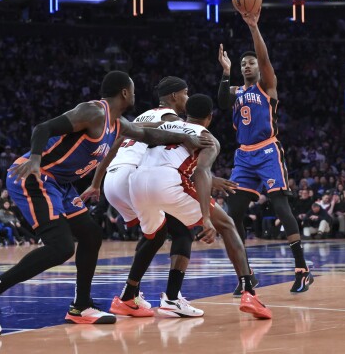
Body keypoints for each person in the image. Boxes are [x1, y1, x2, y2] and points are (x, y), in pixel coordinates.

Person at [0, 71, 212, 336]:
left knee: (91, 235)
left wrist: (187, 138)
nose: (136, 95)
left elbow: (149, 135)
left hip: (61, 185)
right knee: (61, 247)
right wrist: (35, 158)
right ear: (125, 93)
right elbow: (43, 128)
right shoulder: (94, 112)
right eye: (134, 91)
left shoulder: (118, 124)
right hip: (35, 176)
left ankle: (81, 306)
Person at [82, 76, 237, 316]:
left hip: (113, 181)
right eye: (185, 94)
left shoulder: (143, 115)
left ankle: (131, 295)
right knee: (182, 230)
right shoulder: (171, 119)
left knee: (154, 234)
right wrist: (208, 176)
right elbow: (185, 155)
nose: (187, 98)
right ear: (175, 96)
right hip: (133, 176)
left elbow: (116, 144)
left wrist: (96, 183)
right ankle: (170, 298)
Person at [109, 94, 272, 319]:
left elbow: (136, 131)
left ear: (186, 114)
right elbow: (201, 172)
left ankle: (128, 295)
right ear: (210, 118)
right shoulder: (209, 138)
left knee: (154, 236)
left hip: (136, 184)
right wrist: (205, 217)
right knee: (226, 224)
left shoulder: (166, 124)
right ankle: (248, 292)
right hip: (166, 183)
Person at [217, 9, 312, 295]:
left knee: (281, 206)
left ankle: (302, 269)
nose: (247, 66)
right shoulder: (235, 91)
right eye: (243, 63)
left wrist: (254, 28)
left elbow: (265, 58)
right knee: (232, 214)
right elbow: (221, 104)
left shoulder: (267, 86)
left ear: (259, 67)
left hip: (268, 150)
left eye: (251, 63)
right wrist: (225, 71)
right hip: (244, 156)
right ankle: (247, 276)